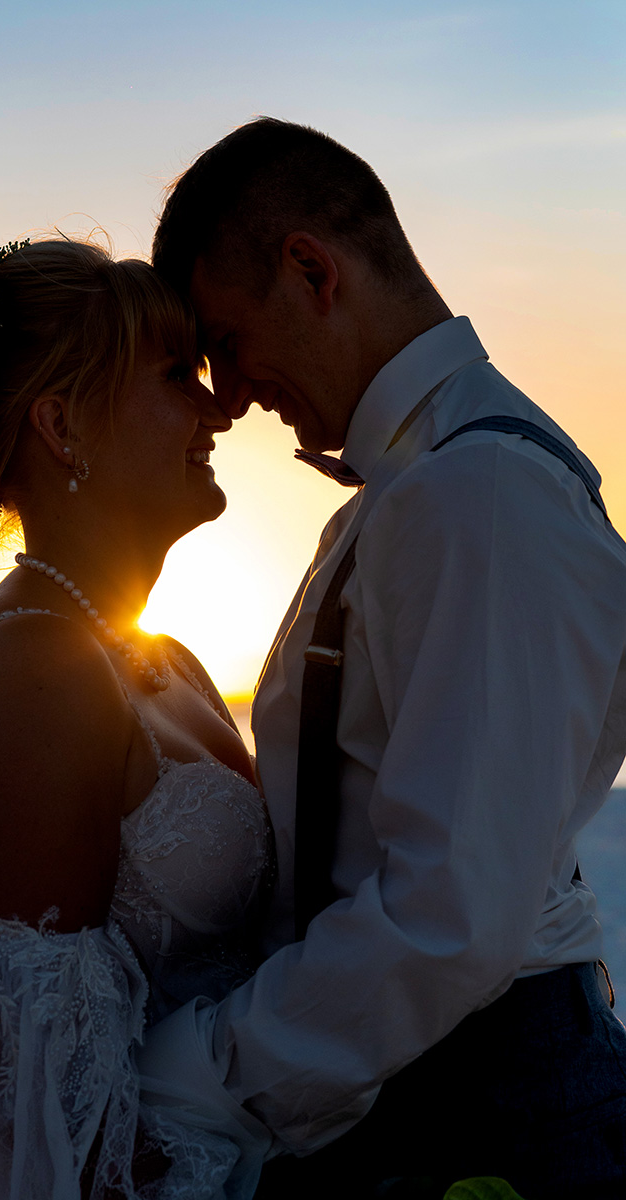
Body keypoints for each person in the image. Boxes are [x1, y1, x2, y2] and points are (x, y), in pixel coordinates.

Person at [136, 117, 626, 1198]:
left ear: (312, 269)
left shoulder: (479, 496)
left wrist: (200, 1073)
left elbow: (446, 914)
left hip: (488, 1107)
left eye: (224, 339)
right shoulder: (418, 488)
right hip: (423, 1079)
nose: (225, 395)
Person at [0, 237, 274, 1199]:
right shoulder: (27, 675)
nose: (217, 409)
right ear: (62, 424)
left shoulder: (163, 662)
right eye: (177, 375)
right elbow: (39, 1128)